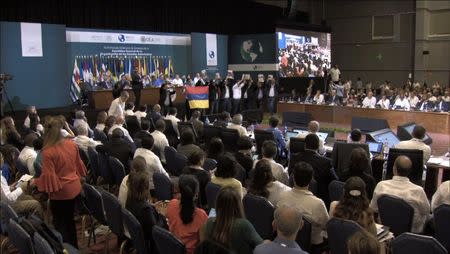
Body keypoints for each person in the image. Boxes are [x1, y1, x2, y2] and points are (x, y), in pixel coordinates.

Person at [34, 116, 87, 247]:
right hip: (74, 188)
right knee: (69, 222)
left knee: (60, 223)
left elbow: (49, 179)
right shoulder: (72, 144)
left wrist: (35, 182)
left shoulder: (48, 152)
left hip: (60, 192)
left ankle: (65, 248)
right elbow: (79, 167)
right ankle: (73, 246)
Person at [370, 156, 430, 233]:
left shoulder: (381, 186)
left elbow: (373, 208)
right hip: (411, 234)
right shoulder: (418, 191)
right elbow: (426, 211)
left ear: (394, 168)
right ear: (410, 171)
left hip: (386, 231)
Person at [278, 162, 329, 246]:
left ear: (293, 178)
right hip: (312, 245)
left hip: (286, 240)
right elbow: (326, 226)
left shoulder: (282, 195)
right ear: (311, 180)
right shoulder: (318, 204)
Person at [200, 187, 263, 254]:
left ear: (218, 203)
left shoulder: (209, 222)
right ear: (238, 204)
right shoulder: (244, 225)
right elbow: (261, 246)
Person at [289, 134, 338, 206]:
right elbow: (335, 180)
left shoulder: (294, 157)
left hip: (294, 196)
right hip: (319, 198)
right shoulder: (326, 162)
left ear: (305, 145)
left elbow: (290, 174)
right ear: (318, 146)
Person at [166, 175, 208, 254]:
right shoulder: (201, 215)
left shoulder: (171, 204)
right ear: (196, 195)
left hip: (172, 249)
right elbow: (203, 245)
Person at [126, 171, 165, 254]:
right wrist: (161, 214)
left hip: (137, 238)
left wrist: (152, 206)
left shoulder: (129, 199)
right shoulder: (146, 210)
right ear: (145, 188)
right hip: (150, 243)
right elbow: (156, 231)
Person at [1, 152, 43, 218]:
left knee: (28, 197)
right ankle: (39, 227)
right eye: (1, 158)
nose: (3, 159)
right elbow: (9, 199)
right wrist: (21, 187)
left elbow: (3, 190)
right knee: (36, 204)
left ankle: (30, 220)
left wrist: (10, 187)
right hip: (9, 206)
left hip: (7, 201)